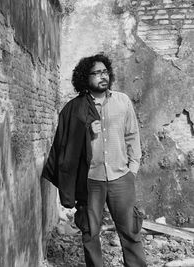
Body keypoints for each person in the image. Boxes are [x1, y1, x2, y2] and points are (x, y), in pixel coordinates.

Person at [42, 53, 147, 267]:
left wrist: (132, 169)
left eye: (105, 71)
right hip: (91, 180)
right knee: (90, 233)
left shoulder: (122, 101)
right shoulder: (76, 109)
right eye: (96, 73)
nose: (102, 76)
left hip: (121, 178)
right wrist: (86, 133)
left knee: (130, 231)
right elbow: (66, 145)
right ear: (84, 77)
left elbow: (132, 135)